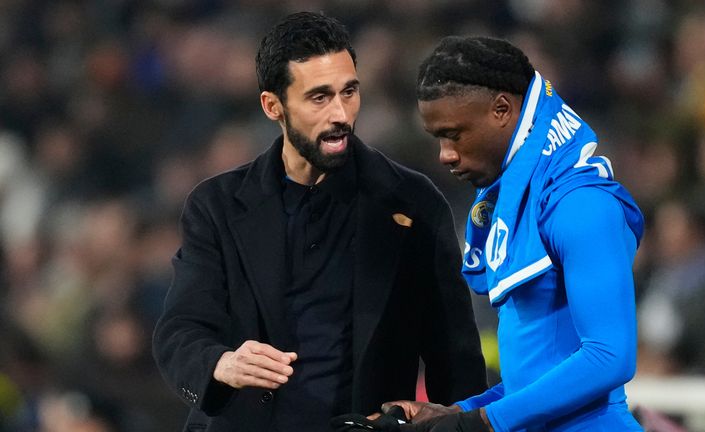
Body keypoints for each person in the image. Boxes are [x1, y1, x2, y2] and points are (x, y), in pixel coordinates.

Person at [151, 12, 487, 432]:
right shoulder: (216, 206)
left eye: (349, 92)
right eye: (319, 97)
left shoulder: (413, 204)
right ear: (273, 106)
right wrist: (223, 363)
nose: (341, 114)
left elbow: (454, 356)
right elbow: (181, 329)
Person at [334, 36, 645, 431]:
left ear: (502, 109)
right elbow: (535, 376)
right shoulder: (521, 200)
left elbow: (609, 357)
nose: (445, 154)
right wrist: (456, 413)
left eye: (455, 134)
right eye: (438, 138)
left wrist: (480, 422)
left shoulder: (581, 204)